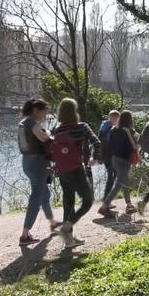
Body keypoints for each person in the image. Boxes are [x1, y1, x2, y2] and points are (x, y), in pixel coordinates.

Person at [51, 98, 101, 249]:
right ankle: (67, 226)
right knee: (87, 201)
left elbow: (50, 153)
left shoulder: (56, 130)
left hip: (62, 172)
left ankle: (68, 240)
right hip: (77, 169)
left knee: (68, 203)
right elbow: (97, 143)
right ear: (75, 111)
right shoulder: (82, 127)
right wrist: (94, 157)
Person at [17, 99, 62, 246]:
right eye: (44, 110)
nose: (46, 113)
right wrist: (50, 131)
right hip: (37, 163)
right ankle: (25, 235)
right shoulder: (32, 123)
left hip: (27, 162)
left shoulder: (23, 123)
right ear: (36, 110)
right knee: (36, 197)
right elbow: (44, 137)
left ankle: (52, 222)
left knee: (45, 194)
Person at [98, 110, 138, 216]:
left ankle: (129, 205)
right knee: (119, 184)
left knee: (123, 181)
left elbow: (109, 144)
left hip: (114, 159)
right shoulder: (127, 131)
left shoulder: (113, 129)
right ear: (130, 120)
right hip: (124, 160)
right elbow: (134, 146)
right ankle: (104, 206)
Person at [98, 110, 120, 206]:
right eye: (117, 119)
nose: (117, 121)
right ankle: (106, 200)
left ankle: (107, 199)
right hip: (111, 156)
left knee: (112, 176)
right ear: (113, 118)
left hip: (105, 156)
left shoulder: (103, 127)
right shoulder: (111, 128)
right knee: (112, 177)